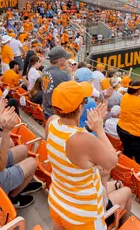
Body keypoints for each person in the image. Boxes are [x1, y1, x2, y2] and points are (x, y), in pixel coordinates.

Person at [46, 81, 118, 230]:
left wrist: (88, 128)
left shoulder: (51, 122)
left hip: (57, 201)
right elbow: (112, 162)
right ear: (80, 107)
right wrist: (99, 130)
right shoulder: (84, 140)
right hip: (83, 216)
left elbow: (68, 140)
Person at [117, 80, 140, 168]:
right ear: (138, 91)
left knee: (127, 151)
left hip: (122, 129)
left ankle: (127, 167)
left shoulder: (125, 96)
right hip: (138, 135)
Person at [41, 46, 72, 119]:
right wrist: (69, 73)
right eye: (65, 58)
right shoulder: (63, 74)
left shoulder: (45, 70)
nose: (66, 59)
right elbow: (73, 89)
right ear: (60, 60)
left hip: (47, 109)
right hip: (56, 113)